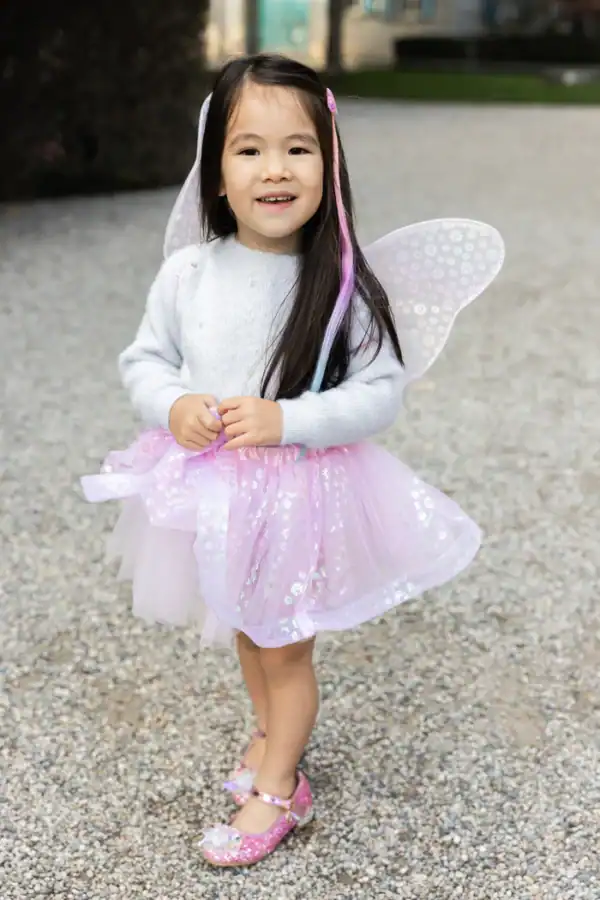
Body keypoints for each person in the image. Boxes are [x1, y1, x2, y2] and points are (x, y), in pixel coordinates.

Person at [81, 53, 504, 866]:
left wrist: (289, 417)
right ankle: (271, 732)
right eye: (248, 150)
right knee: (244, 623)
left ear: (329, 165)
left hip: (300, 491)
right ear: (214, 177)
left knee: (286, 642)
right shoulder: (188, 274)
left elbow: (381, 391)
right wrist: (174, 405)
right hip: (218, 490)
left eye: (298, 149)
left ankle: (280, 787)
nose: (274, 169)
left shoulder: (341, 284)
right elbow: (145, 360)